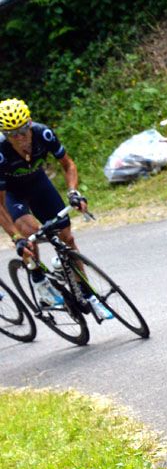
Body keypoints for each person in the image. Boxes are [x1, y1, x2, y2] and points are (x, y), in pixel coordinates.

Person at [0, 98, 111, 318]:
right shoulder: (1, 153)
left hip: (39, 184)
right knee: (30, 234)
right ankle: (40, 284)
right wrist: (15, 237)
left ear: (30, 124)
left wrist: (73, 192)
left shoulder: (43, 134)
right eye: (13, 135)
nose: (20, 139)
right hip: (14, 194)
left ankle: (87, 293)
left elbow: (68, 164)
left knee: (67, 238)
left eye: (23, 131)